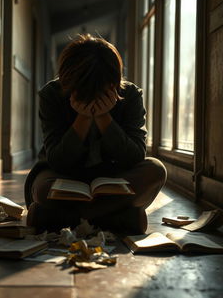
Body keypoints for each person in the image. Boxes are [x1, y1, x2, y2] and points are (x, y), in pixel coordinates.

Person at [24, 34, 166, 234]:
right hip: (62, 175)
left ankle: (59, 218)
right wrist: (82, 118)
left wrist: (103, 118)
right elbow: (57, 160)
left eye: (100, 90)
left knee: (156, 170)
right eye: (84, 91)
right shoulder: (52, 94)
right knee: (41, 190)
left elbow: (134, 157)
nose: (92, 96)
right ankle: (119, 219)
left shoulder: (130, 95)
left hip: (113, 178)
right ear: (68, 81)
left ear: (113, 83)